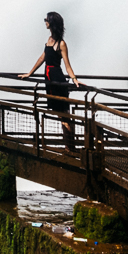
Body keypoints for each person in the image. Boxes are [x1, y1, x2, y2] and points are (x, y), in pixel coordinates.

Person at [19, 10, 80, 150]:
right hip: (49, 78)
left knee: (64, 115)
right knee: (62, 115)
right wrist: (29, 73)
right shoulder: (49, 40)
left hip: (56, 79)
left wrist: (74, 79)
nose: (45, 22)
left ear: (52, 23)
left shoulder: (61, 44)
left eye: (46, 20)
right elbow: (42, 58)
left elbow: (67, 65)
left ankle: (70, 147)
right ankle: (70, 146)